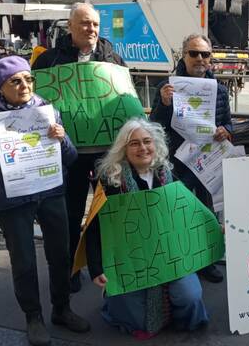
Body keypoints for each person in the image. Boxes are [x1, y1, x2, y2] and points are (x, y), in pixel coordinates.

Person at [0, 56, 90, 346]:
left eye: (28, 79)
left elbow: (72, 157)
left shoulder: (46, 111)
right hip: (13, 202)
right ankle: (34, 318)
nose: (25, 85)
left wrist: (62, 139)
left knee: (61, 255)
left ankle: (62, 309)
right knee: (24, 261)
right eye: (16, 80)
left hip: (51, 193)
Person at [32, 2, 128, 293]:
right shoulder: (49, 61)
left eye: (96, 25)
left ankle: (105, 265)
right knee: (70, 214)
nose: (92, 29)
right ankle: (72, 268)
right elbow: (34, 103)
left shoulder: (113, 58)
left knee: (108, 211)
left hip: (106, 151)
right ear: (70, 26)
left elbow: (125, 99)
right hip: (68, 154)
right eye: (85, 23)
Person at [85, 118, 209, 340]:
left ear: (156, 144)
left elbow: (189, 211)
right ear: (124, 149)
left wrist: (213, 227)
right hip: (130, 259)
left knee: (190, 297)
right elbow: (94, 228)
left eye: (147, 141)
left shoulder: (168, 175)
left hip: (170, 255)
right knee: (135, 318)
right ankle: (115, 302)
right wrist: (96, 268)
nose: (142, 148)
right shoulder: (111, 181)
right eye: (134, 143)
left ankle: (175, 315)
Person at [149, 34, 232, 283]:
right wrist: (164, 103)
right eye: (193, 53)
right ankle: (184, 262)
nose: (199, 59)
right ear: (183, 55)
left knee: (208, 214)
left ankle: (208, 261)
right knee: (179, 214)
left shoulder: (220, 90)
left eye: (204, 54)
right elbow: (155, 125)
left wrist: (227, 130)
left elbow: (227, 121)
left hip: (207, 161)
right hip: (178, 163)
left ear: (210, 58)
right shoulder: (167, 87)